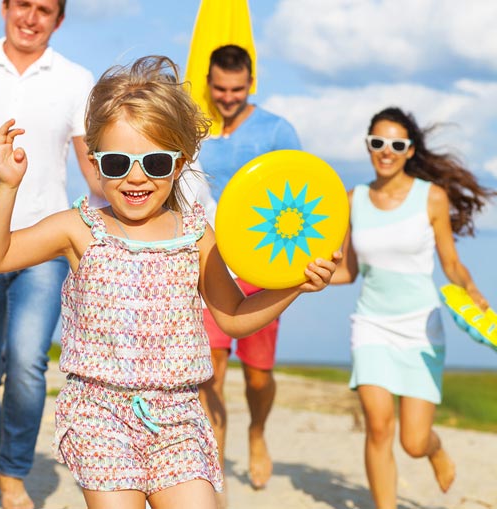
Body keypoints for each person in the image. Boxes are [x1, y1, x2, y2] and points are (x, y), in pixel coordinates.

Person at [0, 55, 339, 509]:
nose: (136, 176)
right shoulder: (79, 228)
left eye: (156, 162)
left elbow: (235, 316)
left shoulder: (196, 233)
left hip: (179, 418)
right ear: (94, 161)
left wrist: (295, 286)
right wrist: (7, 185)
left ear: (180, 162)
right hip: (100, 415)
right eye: (116, 162)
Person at [0, 1, 97, 507]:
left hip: (43, 248)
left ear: (59, 20)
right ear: (5, 8)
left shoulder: (77, 79)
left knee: (29, 365)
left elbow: (93, 168)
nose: (31, 18)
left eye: (44, 9)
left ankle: (11, 475)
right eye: (22, 5)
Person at [332, 107, 493, 509]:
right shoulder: (353, 200)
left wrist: (473, 294)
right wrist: (296, 278)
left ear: (409, 151)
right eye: (378, 143)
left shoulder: (431, 197)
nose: (386, 151)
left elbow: (451, 263)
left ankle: (435, 450)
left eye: (397, 144)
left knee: (414, 441)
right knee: (378, 425)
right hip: (371, 325)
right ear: (368, 146)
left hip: (421, 327)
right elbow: (348, 271)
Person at [194, 44, 302, 495]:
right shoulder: (197, 130)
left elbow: (300, 198)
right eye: (219, 88)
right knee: (211, 367)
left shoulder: (277, 130)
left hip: (264, 262)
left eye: (237, 89)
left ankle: (257, 431)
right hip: (210, 260)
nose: (227, 97)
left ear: (251, 83)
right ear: (210, 83)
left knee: (258, 375)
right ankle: (214, 470)